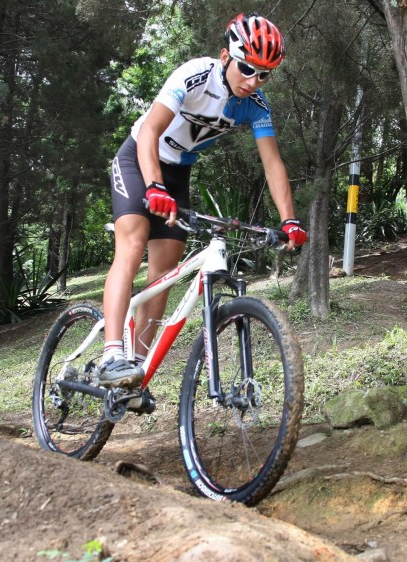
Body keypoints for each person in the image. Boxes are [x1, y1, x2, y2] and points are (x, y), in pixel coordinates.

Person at [99, 12, 308, 387]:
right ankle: (113, 353)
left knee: (162, 273)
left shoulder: (255, 105)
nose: (253, 81)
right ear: (226, 55)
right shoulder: (194, 74)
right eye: (247, 68)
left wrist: (289, 219)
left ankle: (135, 371)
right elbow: (150, 131)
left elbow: (273, 163)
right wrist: (153, 185)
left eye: (264, 74)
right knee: (131, 245)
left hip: (177, 174)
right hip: (138, 159)